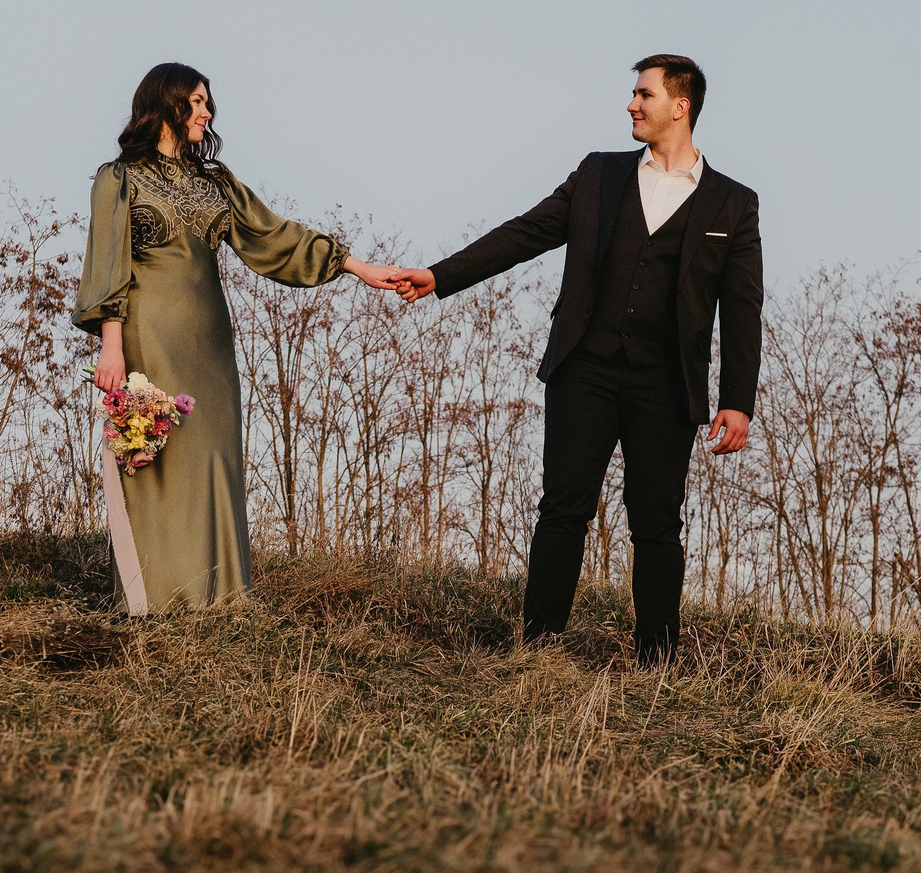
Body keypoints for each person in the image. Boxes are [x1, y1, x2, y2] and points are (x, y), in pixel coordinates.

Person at [390, 54, 762, 665]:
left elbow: (743, 309)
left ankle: (657, 662)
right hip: (584, 367)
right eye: (633, 94)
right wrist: (440, 274)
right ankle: (538, 647)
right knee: (563, 508)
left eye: (643, 94)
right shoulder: (599, 175)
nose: (631, 104)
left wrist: (737, 400)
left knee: (657, 523)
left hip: (668, 384)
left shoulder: (732, 203)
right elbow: (526, 232)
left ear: (680, 105)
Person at [75, 63, 404, 614]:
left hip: (211, 343)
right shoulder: (120, 178)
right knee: (154, 459)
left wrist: (357, 267)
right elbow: (109, 262)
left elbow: (275, 238)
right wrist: (111, 345)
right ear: (168, 103)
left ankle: (217, 602)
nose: (207, 112)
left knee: (211, 461)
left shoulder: (215, 182)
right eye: (198, 101)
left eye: (208, 103)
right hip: (147, 335)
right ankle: (153, 602)